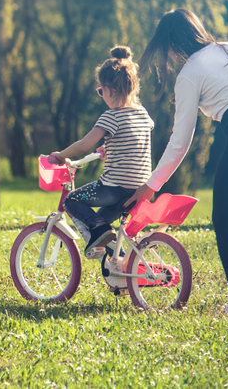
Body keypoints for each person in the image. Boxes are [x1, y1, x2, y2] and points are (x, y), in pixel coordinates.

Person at [124, 8, 228, 313]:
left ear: (173, 46)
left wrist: (151, 185)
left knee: (224, 221)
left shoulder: (189, 74)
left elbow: (180, 142)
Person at [49, 46, 155, 260]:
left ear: (110, 90)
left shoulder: (111, 116)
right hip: (139, 188)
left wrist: (61, 155)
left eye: (100, 91)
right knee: (102, 231)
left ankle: (102, 233)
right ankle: (124, 265)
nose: (101, 95)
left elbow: (83, 145)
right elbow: (133, 139)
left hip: (114, 188)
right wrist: (111, 147)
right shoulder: (142, 113)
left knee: (72, 201)